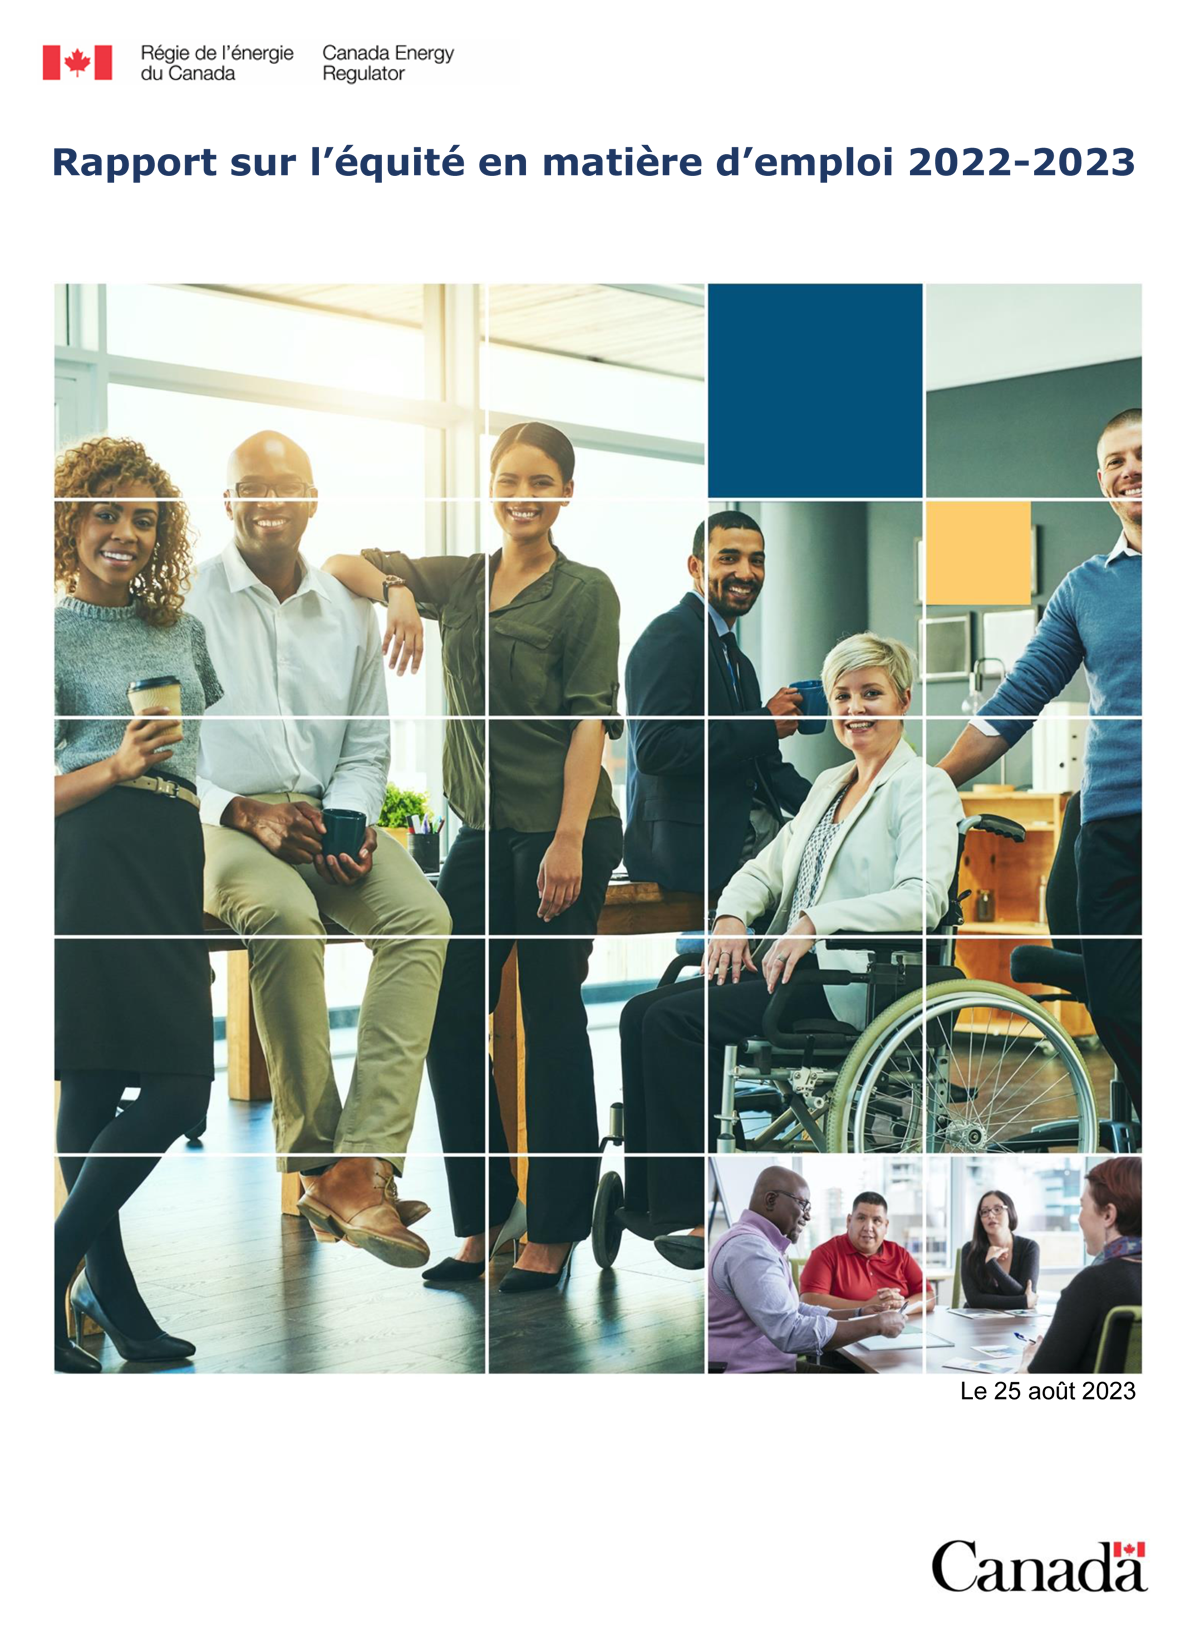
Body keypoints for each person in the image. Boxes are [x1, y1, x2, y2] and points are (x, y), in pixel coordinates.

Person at [325, 422, 622, 1294]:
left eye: (541, 482)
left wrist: (568, 838)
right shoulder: (463, 579)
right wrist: (398, 593)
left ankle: (556, 1229)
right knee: (449, 1012)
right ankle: (487, 1215)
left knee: (551, 1015)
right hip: (483, 832)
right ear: (491, 487)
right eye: (509, 480)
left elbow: (589, 720)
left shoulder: (585, 592)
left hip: (563, 827)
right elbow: (342, 562)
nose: (523, 496)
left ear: (565, 494)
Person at [187, 430, 452, 1268]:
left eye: (287, 486)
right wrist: (243, 811)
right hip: (215, 817)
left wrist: (348, 819)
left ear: (310, 499)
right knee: (282, 915)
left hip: (319, 812)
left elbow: (367, 743)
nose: (270, 500)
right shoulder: (185, 601)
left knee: (422, 917)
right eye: (251, 487)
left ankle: (362, 1163)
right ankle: (317, 1162)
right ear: (228, 501)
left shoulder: (347, 608)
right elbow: (167, 751)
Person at [619, 632, 962, 1263]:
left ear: (904, 700)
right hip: (792, 970)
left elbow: (923, 899)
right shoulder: (831, 784)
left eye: (871, 693)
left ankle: (693, 1210)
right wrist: (731, 916)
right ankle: (649, 1201)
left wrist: (814, 922)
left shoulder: (924, 786)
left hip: (850, 982)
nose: (855, 708)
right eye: (842, 696)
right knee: (641, 1011)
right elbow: (766, 869)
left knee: (674, 1022)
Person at [54, 436, 222, 1371]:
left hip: (170, 848)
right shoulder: (46, 633)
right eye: (106, 512)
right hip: (90, 852)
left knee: (153, 1082)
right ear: (71, 521)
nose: (124, 532)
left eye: (144, 519)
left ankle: (92, 1292)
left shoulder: (182, 632)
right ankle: (71, 1280)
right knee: (121, 1079)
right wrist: (114, 764)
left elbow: (199, 755)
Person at [938, 410, 1142, 1114]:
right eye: (1116, 461)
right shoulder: (1086, 588)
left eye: (1145, 453)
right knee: (1115, 997)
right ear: (1102, 481)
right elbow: (1018, 698)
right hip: (1114, 824)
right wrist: (931, 782)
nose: (1131, 470)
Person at [624, 510, 810, 898]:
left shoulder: (736, 659)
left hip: (742, 840)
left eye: (756, 560)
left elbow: (764, 766)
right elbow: (655, 748)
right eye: (729, 558)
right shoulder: (670, 634)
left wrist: (837, 804)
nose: (746, 572)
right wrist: (763, 723)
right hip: (692, 854)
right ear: (695, 566)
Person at [708, 1168, 907, 1372]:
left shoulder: (761, 1244)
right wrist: (875, 1325)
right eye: (803, 1204)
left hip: (771, 1367)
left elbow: (794, 1309)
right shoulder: (751, 1249)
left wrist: (859, 1313)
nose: (808, 1216)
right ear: (771, 1200)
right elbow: (790, 1332)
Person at [1021, 1158, 1141, 1373]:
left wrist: (1028, 1361)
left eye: (1082, 1206)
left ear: (1108, 1215)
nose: (1079, 1219)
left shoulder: (1093, 1284)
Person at [799, 1191, 933, 1316]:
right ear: (849, 1221)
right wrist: (865, 1308)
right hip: (848, 1331)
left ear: (886, 1226)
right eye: (861, 1218)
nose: (868, 1227)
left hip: (901, 1328)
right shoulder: (825, 1253)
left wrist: (899, 1307)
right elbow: (809, 1300)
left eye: (877, 1220)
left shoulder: (900, 1254)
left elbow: (928, 1296)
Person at [960, 1189, 1040, 1310]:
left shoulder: (1029, 1247)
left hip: (1018, 1320)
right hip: (977, 1321)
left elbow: (1025, 1294)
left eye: (997, 1209)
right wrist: (1022, 1302)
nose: (991, 1215)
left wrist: (992, 1264)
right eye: (985, 1211)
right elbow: (974, 1300)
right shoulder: (970, 1249)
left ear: (1010, 1212)